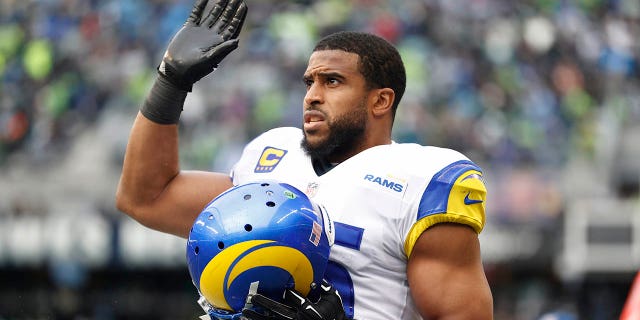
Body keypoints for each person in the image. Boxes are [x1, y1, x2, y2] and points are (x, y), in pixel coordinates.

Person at [115, 0, 494, 319]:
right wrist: (171, 81)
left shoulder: (423, 180)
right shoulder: (273, 155)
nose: (312, 95)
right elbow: (147, 198)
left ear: (381, 100)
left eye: (332, 81)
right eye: (309, 82)